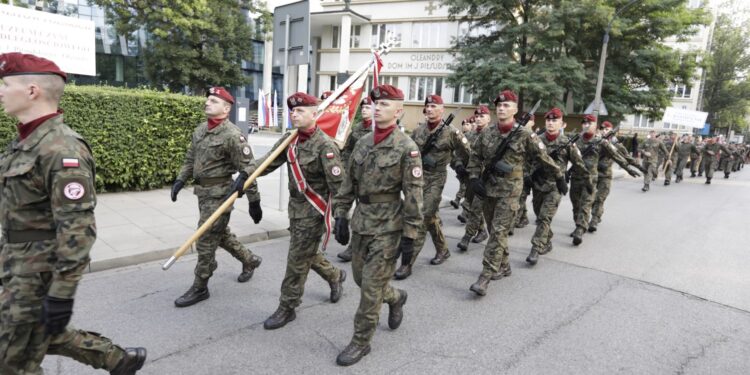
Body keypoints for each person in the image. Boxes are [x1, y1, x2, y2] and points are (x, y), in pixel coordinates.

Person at [0, 52, 146, 374]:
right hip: (17, 262)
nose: (0, 91)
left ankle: (114, 358)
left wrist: (62, 294)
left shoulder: (63, 149)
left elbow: (78, 229)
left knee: (13, 361)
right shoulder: (25, 142)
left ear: (32, 90)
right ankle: (115, 359)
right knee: (36, 335)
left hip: (36, 273)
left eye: (5, 83)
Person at [233, 92, 347, 330]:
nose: (294, 114)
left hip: (315, 211)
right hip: (295, 210)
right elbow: (267, 162)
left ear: (314, 114)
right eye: (292, 111)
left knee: (296, 259)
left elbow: (339, 187)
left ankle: (288, 306)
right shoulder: (289, 140)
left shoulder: (326, 146)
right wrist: (247, 174)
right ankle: (334, 275)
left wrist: (341, 217)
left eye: (300, 110)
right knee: (306, 254)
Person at [332, 84, 423, 365]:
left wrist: (410, 234)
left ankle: (361, 342)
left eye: (384, 104)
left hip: (388, 226)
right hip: (361, 222)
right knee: (361, 279)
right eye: (375, 103)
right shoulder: (363, 143)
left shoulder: (407, 148)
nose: (377, 107)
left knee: (370, 289)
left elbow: (414, 194)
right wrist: (340, 214)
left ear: (399, 111)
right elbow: (348, 183)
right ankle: (395, 297)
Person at [170, 86, 263, 307]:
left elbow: (249, 169)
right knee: (219, 234)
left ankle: (200, 286)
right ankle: (249, 260)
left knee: (205, 239)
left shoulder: (232, 135)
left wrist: (254, 200)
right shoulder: (201, 129)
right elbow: (190, 158)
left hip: (222, 194)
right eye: (207, 100)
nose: (207, 103)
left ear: (226, 107)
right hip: (203, 193)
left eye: (213, 100)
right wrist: (180, 180)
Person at [466, 90, 563, 296]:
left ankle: (485, 275)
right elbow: (475, 156)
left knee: (499, 230)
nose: (501, 108)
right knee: (494, 231)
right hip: (489, 188)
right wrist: (474, 178)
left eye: (506, 105)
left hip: (511, 190)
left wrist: (559, 176)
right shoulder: (487, 132)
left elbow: (543, 157)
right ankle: (504, 265)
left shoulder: (526, 134)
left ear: (515, 109)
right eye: (499, 105)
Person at [393, 94, 470, 280]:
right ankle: (443, 250)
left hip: (436, 177)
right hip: (418, 177)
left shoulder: (452, 132)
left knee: (422, 217)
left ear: (442, 110)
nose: (429, 109)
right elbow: (408, 151)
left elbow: (467, 153)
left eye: (434, 106)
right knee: (431, 217)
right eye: (427, 106)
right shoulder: (419, 131)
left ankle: (407, 262)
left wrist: (461, 167)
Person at [526, 108, 588, 265]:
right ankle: (546, 241)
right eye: (548, 120)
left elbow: (579, 164)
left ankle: (535, 248)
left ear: (562, 123)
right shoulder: (536, 140)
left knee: (544, 218)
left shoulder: (566, 143)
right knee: (540, 215)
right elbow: (527, 160)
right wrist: (527, 176)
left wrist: (585, 180)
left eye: (554, 120)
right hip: (538, 184)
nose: (550, 123)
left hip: (555, 186)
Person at [336, 97, 374, 262]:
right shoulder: (357, 129)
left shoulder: (379, 129)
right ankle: (354, 248)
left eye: (368, 107)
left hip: (376, 180)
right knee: (360, 213)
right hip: (359, 178)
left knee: (371, 215)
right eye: (363, 107)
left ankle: (373, 248)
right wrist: (346, 168)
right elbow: (347, 150)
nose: (364, 110)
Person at [587, 122, 641, 233]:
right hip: (593, 175)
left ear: (611, 130)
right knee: (590, 199)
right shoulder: (595, 141)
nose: (604, 130)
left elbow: (626, 158)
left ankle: (594, 220)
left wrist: (639, 168)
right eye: (602, 128)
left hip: (606, 175)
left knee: (600, 198)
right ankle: (598, 214)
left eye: (607, 129)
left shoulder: (616, 144)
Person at [456, 108, 491, 251]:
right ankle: (482, 231)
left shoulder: (494, 135)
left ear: (489, 118)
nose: (478, 118)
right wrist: (458, 164)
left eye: (482, 116)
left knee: (476, 207)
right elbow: (458, 153)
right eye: (477, 116)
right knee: (471, 205)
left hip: (487, 179)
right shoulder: (469, 135)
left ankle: (467, 237)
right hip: (471, 176)